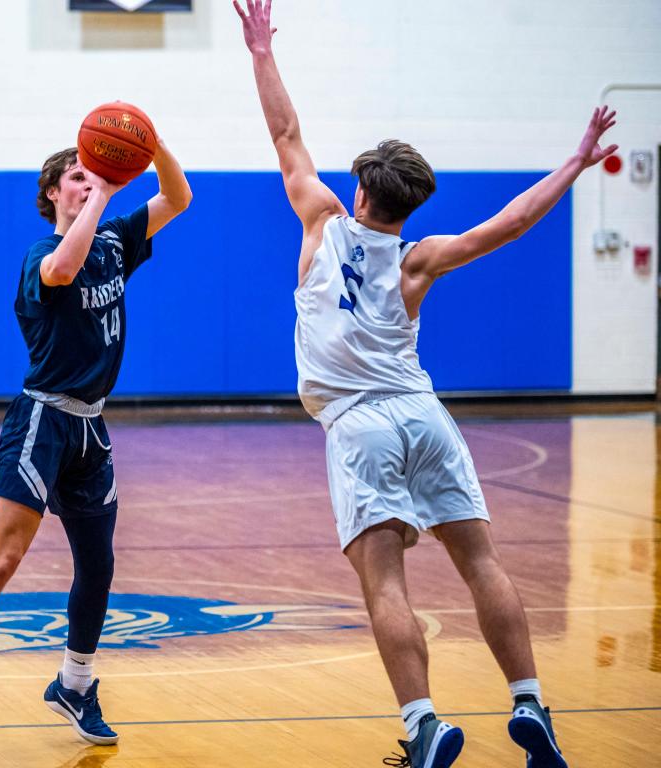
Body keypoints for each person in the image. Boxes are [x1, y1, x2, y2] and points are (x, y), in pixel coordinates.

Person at [234, 2, 617, 766]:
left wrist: (260, 51)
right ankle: (530, 702)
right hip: (425, 413)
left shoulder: (320, 219)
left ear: (360, 192)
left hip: (358, 424)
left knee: (385, 582)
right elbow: (507, 225)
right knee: (482, 563)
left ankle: (423, 727)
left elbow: (285, 137)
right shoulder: (419, 260)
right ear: (408, 205)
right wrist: (575, 163)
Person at [0, 132, 192, 759]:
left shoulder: (118, 241)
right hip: (41, 422)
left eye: (91, 174)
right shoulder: (42, 252)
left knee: (98, 565)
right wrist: (105, 190)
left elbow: (178, 195)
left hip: (91, 426)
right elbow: (64, 269)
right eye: (77, 176)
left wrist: (151, 142)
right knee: (3, 561)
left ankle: (75, 683)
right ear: (53, 193)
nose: (88, 182)